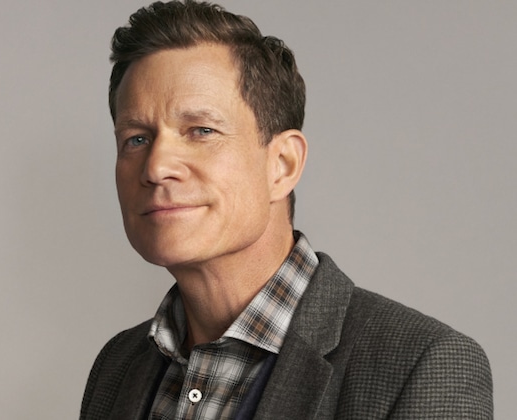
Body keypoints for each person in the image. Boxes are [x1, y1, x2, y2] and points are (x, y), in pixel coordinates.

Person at [80, 1, 493, 418]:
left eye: (201, 131)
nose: (156, 167)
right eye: (136, 139)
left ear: (283, 165)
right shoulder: (117, 365)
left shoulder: (421, 366)